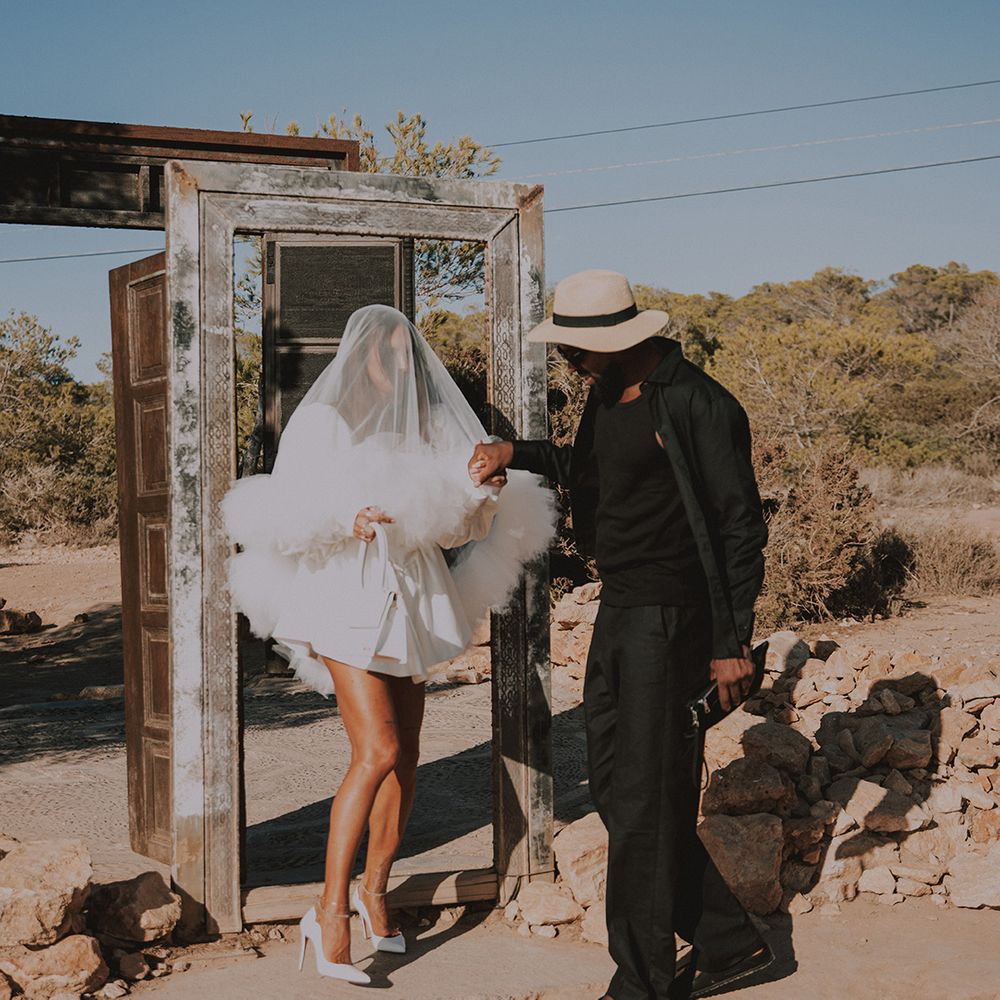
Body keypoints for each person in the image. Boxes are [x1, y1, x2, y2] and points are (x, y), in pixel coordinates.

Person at [221, 304, 555, 984]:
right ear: (363, 355)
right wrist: (350, 519)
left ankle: (376, 892)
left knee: (407, 753)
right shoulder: (321, 423)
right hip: (345, 595)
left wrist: (477, 494)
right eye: (392, 352)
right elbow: (287, 513)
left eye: (411, 352)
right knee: (375, 750)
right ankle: (329, 911)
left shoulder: (424, 432)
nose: (404, 364)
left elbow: (454, 532)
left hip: (410, 599)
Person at [468, 271, 773, 1000]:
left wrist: (731, 642)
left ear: (618, 340)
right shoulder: (606, 398)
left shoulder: (700, 403)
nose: (570, 361)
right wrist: (518, 454)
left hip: (674, 619)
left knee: (644, 801)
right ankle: (730, 943)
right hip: (622, 610)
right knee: (615, 783)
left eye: (578, 348)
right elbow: (590, 469)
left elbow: (740, 526)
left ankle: (642, 981)